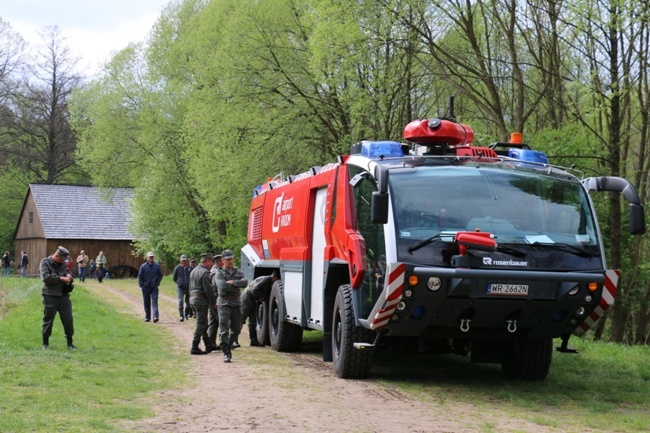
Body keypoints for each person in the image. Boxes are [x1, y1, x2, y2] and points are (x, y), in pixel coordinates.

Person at [215, 249, 248, 363]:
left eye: (231, 259)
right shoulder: (219, 272)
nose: (230, 261)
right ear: (222, 260)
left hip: (236, 303)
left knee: (237, 328)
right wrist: (236, 284)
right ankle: (226, 352)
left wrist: (233, 283)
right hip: (224, 303)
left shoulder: (237, 271)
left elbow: (245, 283)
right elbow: (223, 286)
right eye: (227, 259)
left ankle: (228, 344)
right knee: (224, 329)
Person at [40, 246, 76, 350]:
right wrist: (61, 278)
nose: (63, 261)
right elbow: (46, 278)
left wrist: (69, 276)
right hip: (50, 295)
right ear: (56, 255)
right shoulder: (45, 263)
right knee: (48, 319)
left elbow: (68, 270)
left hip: (63, 296)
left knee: (68, 319)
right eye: (61, 259)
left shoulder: (63, 263)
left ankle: (70, 343)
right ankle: (45, 343)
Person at [189, 253, 219, 355]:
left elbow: (190, 286)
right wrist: (214, 301)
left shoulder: (194, 270)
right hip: (201, 301)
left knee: (203, 323)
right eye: (211, 262)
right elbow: (208, 289)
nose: (211, 265)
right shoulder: (205, 272)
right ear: (207, 261)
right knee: (201, 324)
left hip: (193, 299)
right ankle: (194, 346)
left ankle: (208, 344)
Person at [241, 270, 279, 347]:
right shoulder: (265, 280)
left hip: (253, 298)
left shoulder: (268, 281)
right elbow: (254, 290)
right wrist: (261, 297)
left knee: (253, 320)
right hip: (247, 297)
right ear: (275, 277)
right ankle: (234, 339)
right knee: (241, 317)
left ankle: (253, 340)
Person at [138, 252, 163, 323]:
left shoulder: (157, 266)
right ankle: (147, 317)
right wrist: (141, 285)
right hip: (145, 287)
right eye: (150, 257)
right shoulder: (143, 266)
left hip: (154, 287)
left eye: (152, 257)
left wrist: (157, 282)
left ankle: (155, 316)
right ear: (147, 258)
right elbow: (140, 276)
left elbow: (160, 275)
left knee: (154, 301)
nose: (151, 258)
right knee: (146, 302)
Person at [207, 254, 223, 349]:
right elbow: (214, 287)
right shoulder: (215, 272)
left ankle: (211, 343)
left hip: (213, 300)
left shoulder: (213, 271)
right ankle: (223, 342)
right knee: (221, 321)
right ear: (219, 262)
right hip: (215, 300)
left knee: (214, 322)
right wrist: (215, 301)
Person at [172, 254, 192, 321]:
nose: (183, 262)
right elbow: (174, 278)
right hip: (180, 288)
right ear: (180, 261)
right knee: (180, 301)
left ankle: (186, 314)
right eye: (182, 260)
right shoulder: (177, 268)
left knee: (188, 303)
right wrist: (179, 283)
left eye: (185, 260)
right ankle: (181, 315)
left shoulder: (190, 268)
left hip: (188, 288)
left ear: (186, 260)